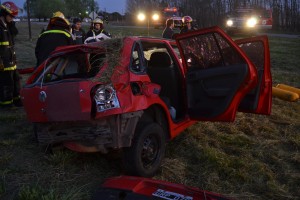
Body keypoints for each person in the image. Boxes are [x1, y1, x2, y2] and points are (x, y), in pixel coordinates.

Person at [0, 1, 23, 108]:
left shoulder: (7, 26)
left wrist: (11, 24)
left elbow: (15, 33)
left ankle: (17, 100)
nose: (12, 18)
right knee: (7, 82)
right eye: (11, 16)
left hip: (11, 59)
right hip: (3, 61)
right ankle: (7, 104)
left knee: (16, 80)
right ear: (4, 13)